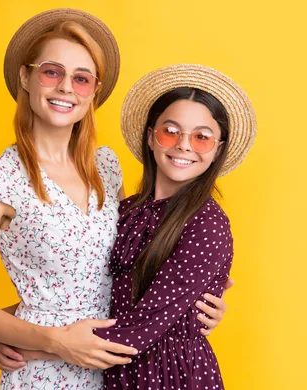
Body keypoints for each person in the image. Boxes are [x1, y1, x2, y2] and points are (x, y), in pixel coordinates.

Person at [0, 9, 231, 390]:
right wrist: (39, 338)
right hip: (47, 374)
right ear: (26, 77)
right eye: (52, 72)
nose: (66, 87)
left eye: (81, 79)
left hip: (124, 367)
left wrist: (196, 300)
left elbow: (108, 274)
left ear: (93, 92)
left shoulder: (106, 167)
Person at [92, 64, 257, 389]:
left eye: (201, 137)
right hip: (113, 369)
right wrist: (15, 325)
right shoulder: (125, 210)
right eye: (171, 131)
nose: (184, 145)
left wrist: (41, 341)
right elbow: (85, 288)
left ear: (217, 151)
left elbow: (141, 330)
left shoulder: (206, 224)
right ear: (151, 137)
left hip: (170, 375)